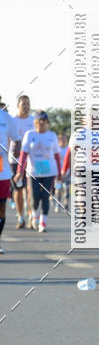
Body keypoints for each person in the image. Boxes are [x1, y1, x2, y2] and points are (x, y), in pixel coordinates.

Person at [63, 120, 99, 229]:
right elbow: (70, 153)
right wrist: (66, 169)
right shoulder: (78, 134)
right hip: (82, 168)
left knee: (97, 194)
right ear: (84, 121)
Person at [16, 111, 61, 233]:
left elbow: (57, 155)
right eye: (39, 120)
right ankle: (34, 217)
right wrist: (20, 171)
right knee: (35, 197)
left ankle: (43, 222)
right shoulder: (29, 135)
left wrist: (60, 174)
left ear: (47, 122)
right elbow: (23, 155)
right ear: (35, 122)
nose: (41, 122)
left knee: (45, 197)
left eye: (44, 120)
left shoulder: (52, 135)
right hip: (33, 171)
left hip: (49, 171)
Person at [10, 94, 34, 228]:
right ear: (18, 106)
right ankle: (20, 217)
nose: (26, 107)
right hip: (14, 160)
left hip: (31, 161)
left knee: (30, 189)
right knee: (18, 190)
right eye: (24, 104)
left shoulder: (34, 120)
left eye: (28, 104)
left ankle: (31, 215)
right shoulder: (12, 121)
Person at [0, 105, 20, 253]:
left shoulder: (6, 118)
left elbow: (16, 139)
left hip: (2, 170)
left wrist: (16, 152)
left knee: (1, 210)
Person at [54, 131, 70, 212]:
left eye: (64, 139)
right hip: (58, 173)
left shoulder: (68, 149)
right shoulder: (57, 149)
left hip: (67, 173)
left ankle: (66, 205)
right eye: (61, 139)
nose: (63, 141)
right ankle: (58, 204)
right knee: (58, 190)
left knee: (66, 189)